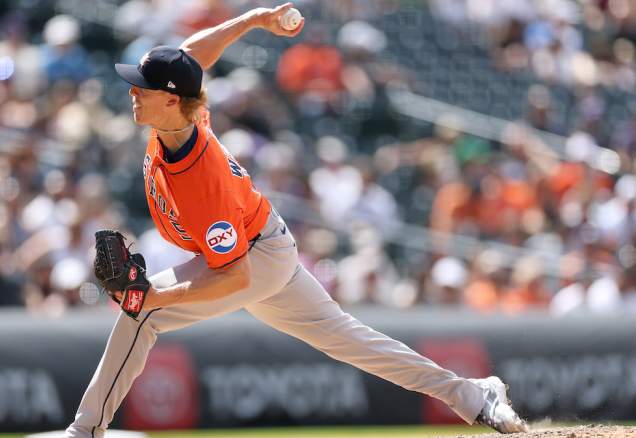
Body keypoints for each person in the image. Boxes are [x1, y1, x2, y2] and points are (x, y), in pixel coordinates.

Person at [65, 3, 528, 436]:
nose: (131, 92)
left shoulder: (202, 182)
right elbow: (192, 55)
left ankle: (85, 430)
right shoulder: (184, 112)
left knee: (142, 315)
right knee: (356, 343)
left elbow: (235, 275)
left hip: (254, 259)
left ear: (169, 101)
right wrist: (253, 19)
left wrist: (155, 295)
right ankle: (472, 393)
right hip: (266, 243)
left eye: (140, 88)